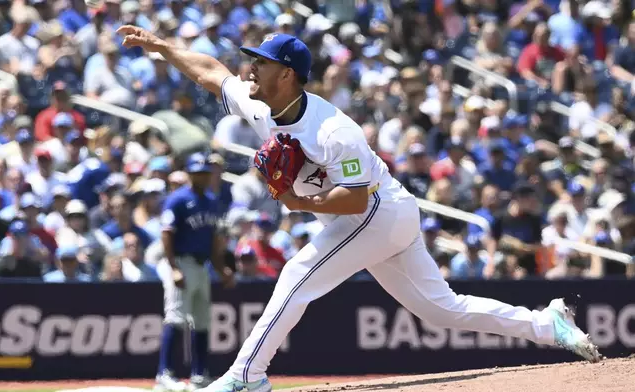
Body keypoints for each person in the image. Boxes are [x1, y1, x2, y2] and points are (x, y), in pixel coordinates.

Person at [118, 26, 602, 392]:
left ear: (287, 75)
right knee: (442, 310)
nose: (250, 69)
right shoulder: (260, 104)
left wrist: (294, 201)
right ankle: (548, 323)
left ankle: (247, 374)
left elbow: (355, 197)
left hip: (377, 211)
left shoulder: (334, 130)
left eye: (260, 63)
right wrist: (162, 44)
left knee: (296, 274)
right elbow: (209, 72)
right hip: (374, 216)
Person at [154, 152, 235, 392]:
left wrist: (221, 269)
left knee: (201, 321)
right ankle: (164, 374)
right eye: (197, 173)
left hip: (202, 266)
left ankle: (200, 374)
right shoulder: (177, 200)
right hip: (182, 263)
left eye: (205, 173)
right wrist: (174, 268)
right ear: (189, 174)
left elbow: (214, 241)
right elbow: (167, 234)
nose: (202, 177)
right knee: (176, 317)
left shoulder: (211, 202)